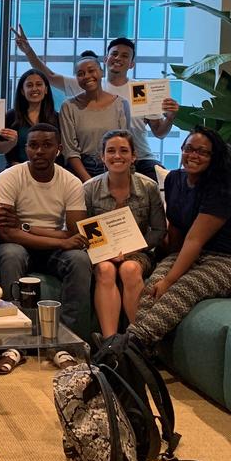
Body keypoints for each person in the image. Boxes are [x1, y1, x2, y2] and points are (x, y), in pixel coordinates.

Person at [132, 127, 231, 346]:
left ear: (214, 157)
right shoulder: (174, 179)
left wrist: (170, 279)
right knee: (152, 287)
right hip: (195, 255)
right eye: (189, 149)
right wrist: (164, 264)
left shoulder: (222, 188)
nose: (193, 155)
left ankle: (129, 348)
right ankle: (136, 353)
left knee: (182, 289)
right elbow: (176, 227)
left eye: (202, 152)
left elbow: (195, 240)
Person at [0, 123, 92, 369]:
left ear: (58, 149)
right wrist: (61, 238)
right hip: (21, 246)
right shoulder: (9, 177)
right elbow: (6, 233)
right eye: (33, 145)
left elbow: (75, 234)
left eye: (47, 145)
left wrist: (25, 227)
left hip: (54, 250)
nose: (39, 151)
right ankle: (15, 343)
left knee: (79, 259)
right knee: (10, 253)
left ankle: (63, 345)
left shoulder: (71, 182)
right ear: (25, 149)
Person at [15, 31, 178, 180]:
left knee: (157, 184)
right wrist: (28, 51)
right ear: (106, 59)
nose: (118, 58)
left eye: (125, 56)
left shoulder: (141, 90)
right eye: (114, 54)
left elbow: (159, 132)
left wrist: (170, 118)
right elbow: (49, 75)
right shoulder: (87, 84)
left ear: (132, 64)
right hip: (97, 160)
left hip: (139, 157)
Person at [83, 130, 166, 337]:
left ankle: (138, 339)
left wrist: (131, 249)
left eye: (123, 151)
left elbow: (159, 230)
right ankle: (110, 343)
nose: (117, 156)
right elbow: (82, 231)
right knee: (105, 269)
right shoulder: (89, 189)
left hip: (138, 252)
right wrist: (107, 252)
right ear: (102, 157)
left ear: (133, 156)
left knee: (129, 269)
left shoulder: (149, 187)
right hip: (102, 253)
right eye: (110, 151)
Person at [59, 55, 131, 181]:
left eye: (91, 71)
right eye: (80, 74)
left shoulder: (121, 104)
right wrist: (89, 181)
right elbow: (70, 151)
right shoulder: (68, 106)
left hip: (113, 165)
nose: (86, 76)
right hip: (81, 169)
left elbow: (125, 142)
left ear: (101, 72)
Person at [5, 70, 61, 165]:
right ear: (22, 91)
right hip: (17, 170)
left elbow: (59, 151)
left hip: (49, 170)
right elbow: (8, 153)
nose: (34, 89)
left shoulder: (57, 118)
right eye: (29, 85)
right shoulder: (11, 116)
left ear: (46, 89)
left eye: (39, 84)